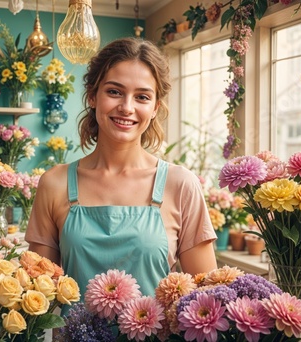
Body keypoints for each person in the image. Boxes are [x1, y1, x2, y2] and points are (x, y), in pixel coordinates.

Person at [25, 37, 217, 305]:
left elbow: (207, 298)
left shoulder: (180, 184)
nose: (127, 107)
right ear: (93, 96)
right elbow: (37, 294)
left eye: (142, 97)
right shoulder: (55, 184)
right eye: (114, 92)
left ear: (154, 108)